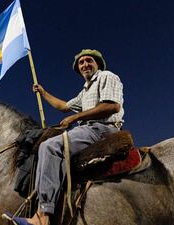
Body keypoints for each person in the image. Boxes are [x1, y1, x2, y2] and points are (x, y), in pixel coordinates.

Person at [7, 49, 124, 225]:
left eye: (89, 60)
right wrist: (43, 92)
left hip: (102, 129)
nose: (85, 64)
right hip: (89, 130)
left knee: (49, 147)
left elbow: (112, 106)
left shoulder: (106, 76)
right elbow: (63, 106)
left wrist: (76, 117)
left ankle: (43, 215)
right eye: (81, 62)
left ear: (97, 63)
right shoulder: (84, 91)